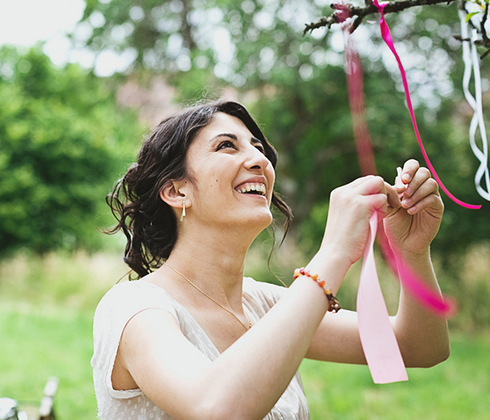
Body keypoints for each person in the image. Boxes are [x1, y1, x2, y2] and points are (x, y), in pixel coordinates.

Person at [91, 100, 450, 420]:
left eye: (259, 149)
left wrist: (412, 252)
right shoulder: (135, 308)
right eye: (226, 146)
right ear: (176, 190)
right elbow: (217, 408)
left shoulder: (264, 305)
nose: (260, 160)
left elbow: (418, 346)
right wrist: (333, 254)